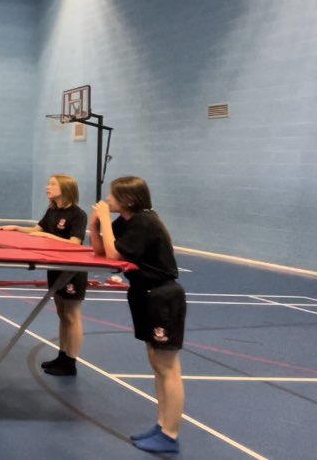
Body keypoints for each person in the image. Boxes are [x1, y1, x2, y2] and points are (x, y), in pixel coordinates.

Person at [90, 176, 186, 455]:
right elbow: (102, 252)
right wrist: (95, 224)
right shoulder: (129, 220)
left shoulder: (145, 221)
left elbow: (113, 250)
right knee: (157, 364)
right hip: (144, 295)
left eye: (113, 196)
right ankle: (161, 424)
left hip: (163, 297)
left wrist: (105, 220)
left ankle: (170, 434)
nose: (107, 200)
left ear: (128, 200)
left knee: (169, 368)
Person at [0, 175, 88, 375]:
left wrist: (47, 236)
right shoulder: (52, 211)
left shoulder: (78, 214)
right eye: (48, 183)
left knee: (72, 315)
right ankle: (62, 356)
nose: (48, 187)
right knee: (62, 313)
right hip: (55, 267)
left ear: (65, 188)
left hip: (73, 270)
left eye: (53, 184)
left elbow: (75, 243)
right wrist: (16, 229)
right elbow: (35, 231)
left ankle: (70, 362)